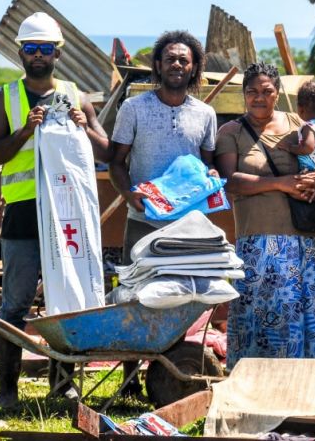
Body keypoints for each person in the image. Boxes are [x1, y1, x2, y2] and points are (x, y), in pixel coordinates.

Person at [0, 12, 111, 409]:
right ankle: (7, 391)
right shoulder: (5, 98)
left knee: (68, 298)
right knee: (15, 303)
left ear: (58, 53)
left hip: (67, 213)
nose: (38, 56)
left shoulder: (77, 96)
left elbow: (105, 151)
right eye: (31, 49)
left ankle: (63, 385)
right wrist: (24, 132)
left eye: (46, 49)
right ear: (21, 53)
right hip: (23, 213)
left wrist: (83, 126)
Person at [109, 29, 217, 395]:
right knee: (134, 294)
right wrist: (129, 195)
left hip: (185, 227)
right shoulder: (133, 108)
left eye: (183, 60)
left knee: (179, 297)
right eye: (170, 58)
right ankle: (128, 378)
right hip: (142, 219)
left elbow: (208, 167)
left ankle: (167, 373)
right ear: (157, 65)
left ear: (194, 68)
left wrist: (213, 177)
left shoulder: (205, 114)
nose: (176, 64)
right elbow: (116, 162)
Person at [214, 62, 315, 369]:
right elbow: (229, 181)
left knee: (307, 314)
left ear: (277, 93)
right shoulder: (231, 132)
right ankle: (259, 383)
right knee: (265, 314)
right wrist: (281, 184)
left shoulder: (300, 123)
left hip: (303, 242)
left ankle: (311, 385)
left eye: (267, 91)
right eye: (252, 92)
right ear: (243, 94)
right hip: (258, 244)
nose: (259, 98)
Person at [278, 79, 315, 174]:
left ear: (300, 109)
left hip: (312, 168)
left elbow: (308, 148)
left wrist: (290, 147)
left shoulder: (308, 128)